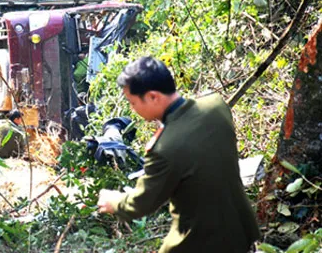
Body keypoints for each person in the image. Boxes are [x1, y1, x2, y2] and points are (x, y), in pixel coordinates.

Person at [96, 57, 260, 253]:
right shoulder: (216, 106)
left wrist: (113, 201)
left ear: (153, 97)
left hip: (201, 243)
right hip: (242, 230)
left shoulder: (164, 148)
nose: (133, 110)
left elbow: (142, 203)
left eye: (133, 103)